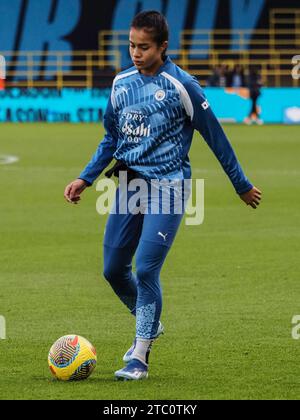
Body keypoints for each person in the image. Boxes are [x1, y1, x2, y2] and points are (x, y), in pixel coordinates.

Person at [64, 10, 262, 381]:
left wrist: (241, 184)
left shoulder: (183, 85)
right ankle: (149, 322)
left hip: (169, 188)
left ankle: (139, 356)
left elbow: (215, 137)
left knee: (147, 267)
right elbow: (112, 138)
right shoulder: (121, 84)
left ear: (163, 47)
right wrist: (85, 178)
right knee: (112, 270)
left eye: (144, 47)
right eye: (131, 46)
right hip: (129, 186)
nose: (136, 53)